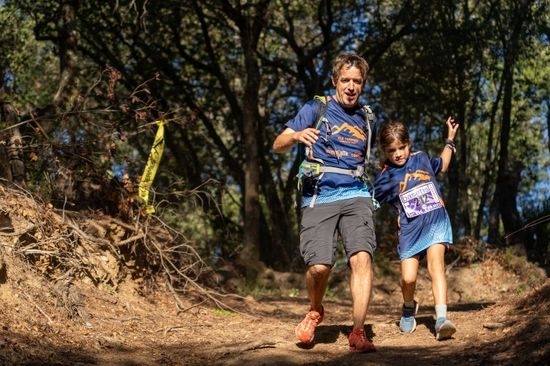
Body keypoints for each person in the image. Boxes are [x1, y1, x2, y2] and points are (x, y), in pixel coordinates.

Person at [272, 53, 377, 352]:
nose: (351, 86)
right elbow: (277, 144)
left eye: (357, 81)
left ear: (363, 84)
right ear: (334, 81)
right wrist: (296, 137)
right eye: (346, 80)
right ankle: (316, 310)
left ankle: (358, 331)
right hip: (319, 194)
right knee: (319, 267)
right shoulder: (315, 108)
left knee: (361, 258)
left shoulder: (367, 117)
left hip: (356, 193)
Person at [373, 117, 459, 341]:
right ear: (384, 150)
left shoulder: (421, 158)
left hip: (435, 222)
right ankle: (409, 307)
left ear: (409, 143)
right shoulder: (384, 177)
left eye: (402, 147)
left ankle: (441, 319)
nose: (398, 154)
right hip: (410, 232)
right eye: (392, 150)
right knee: (408, 279)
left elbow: (443, 163)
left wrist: (450, 140)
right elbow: (369, 202)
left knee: (436, 267)